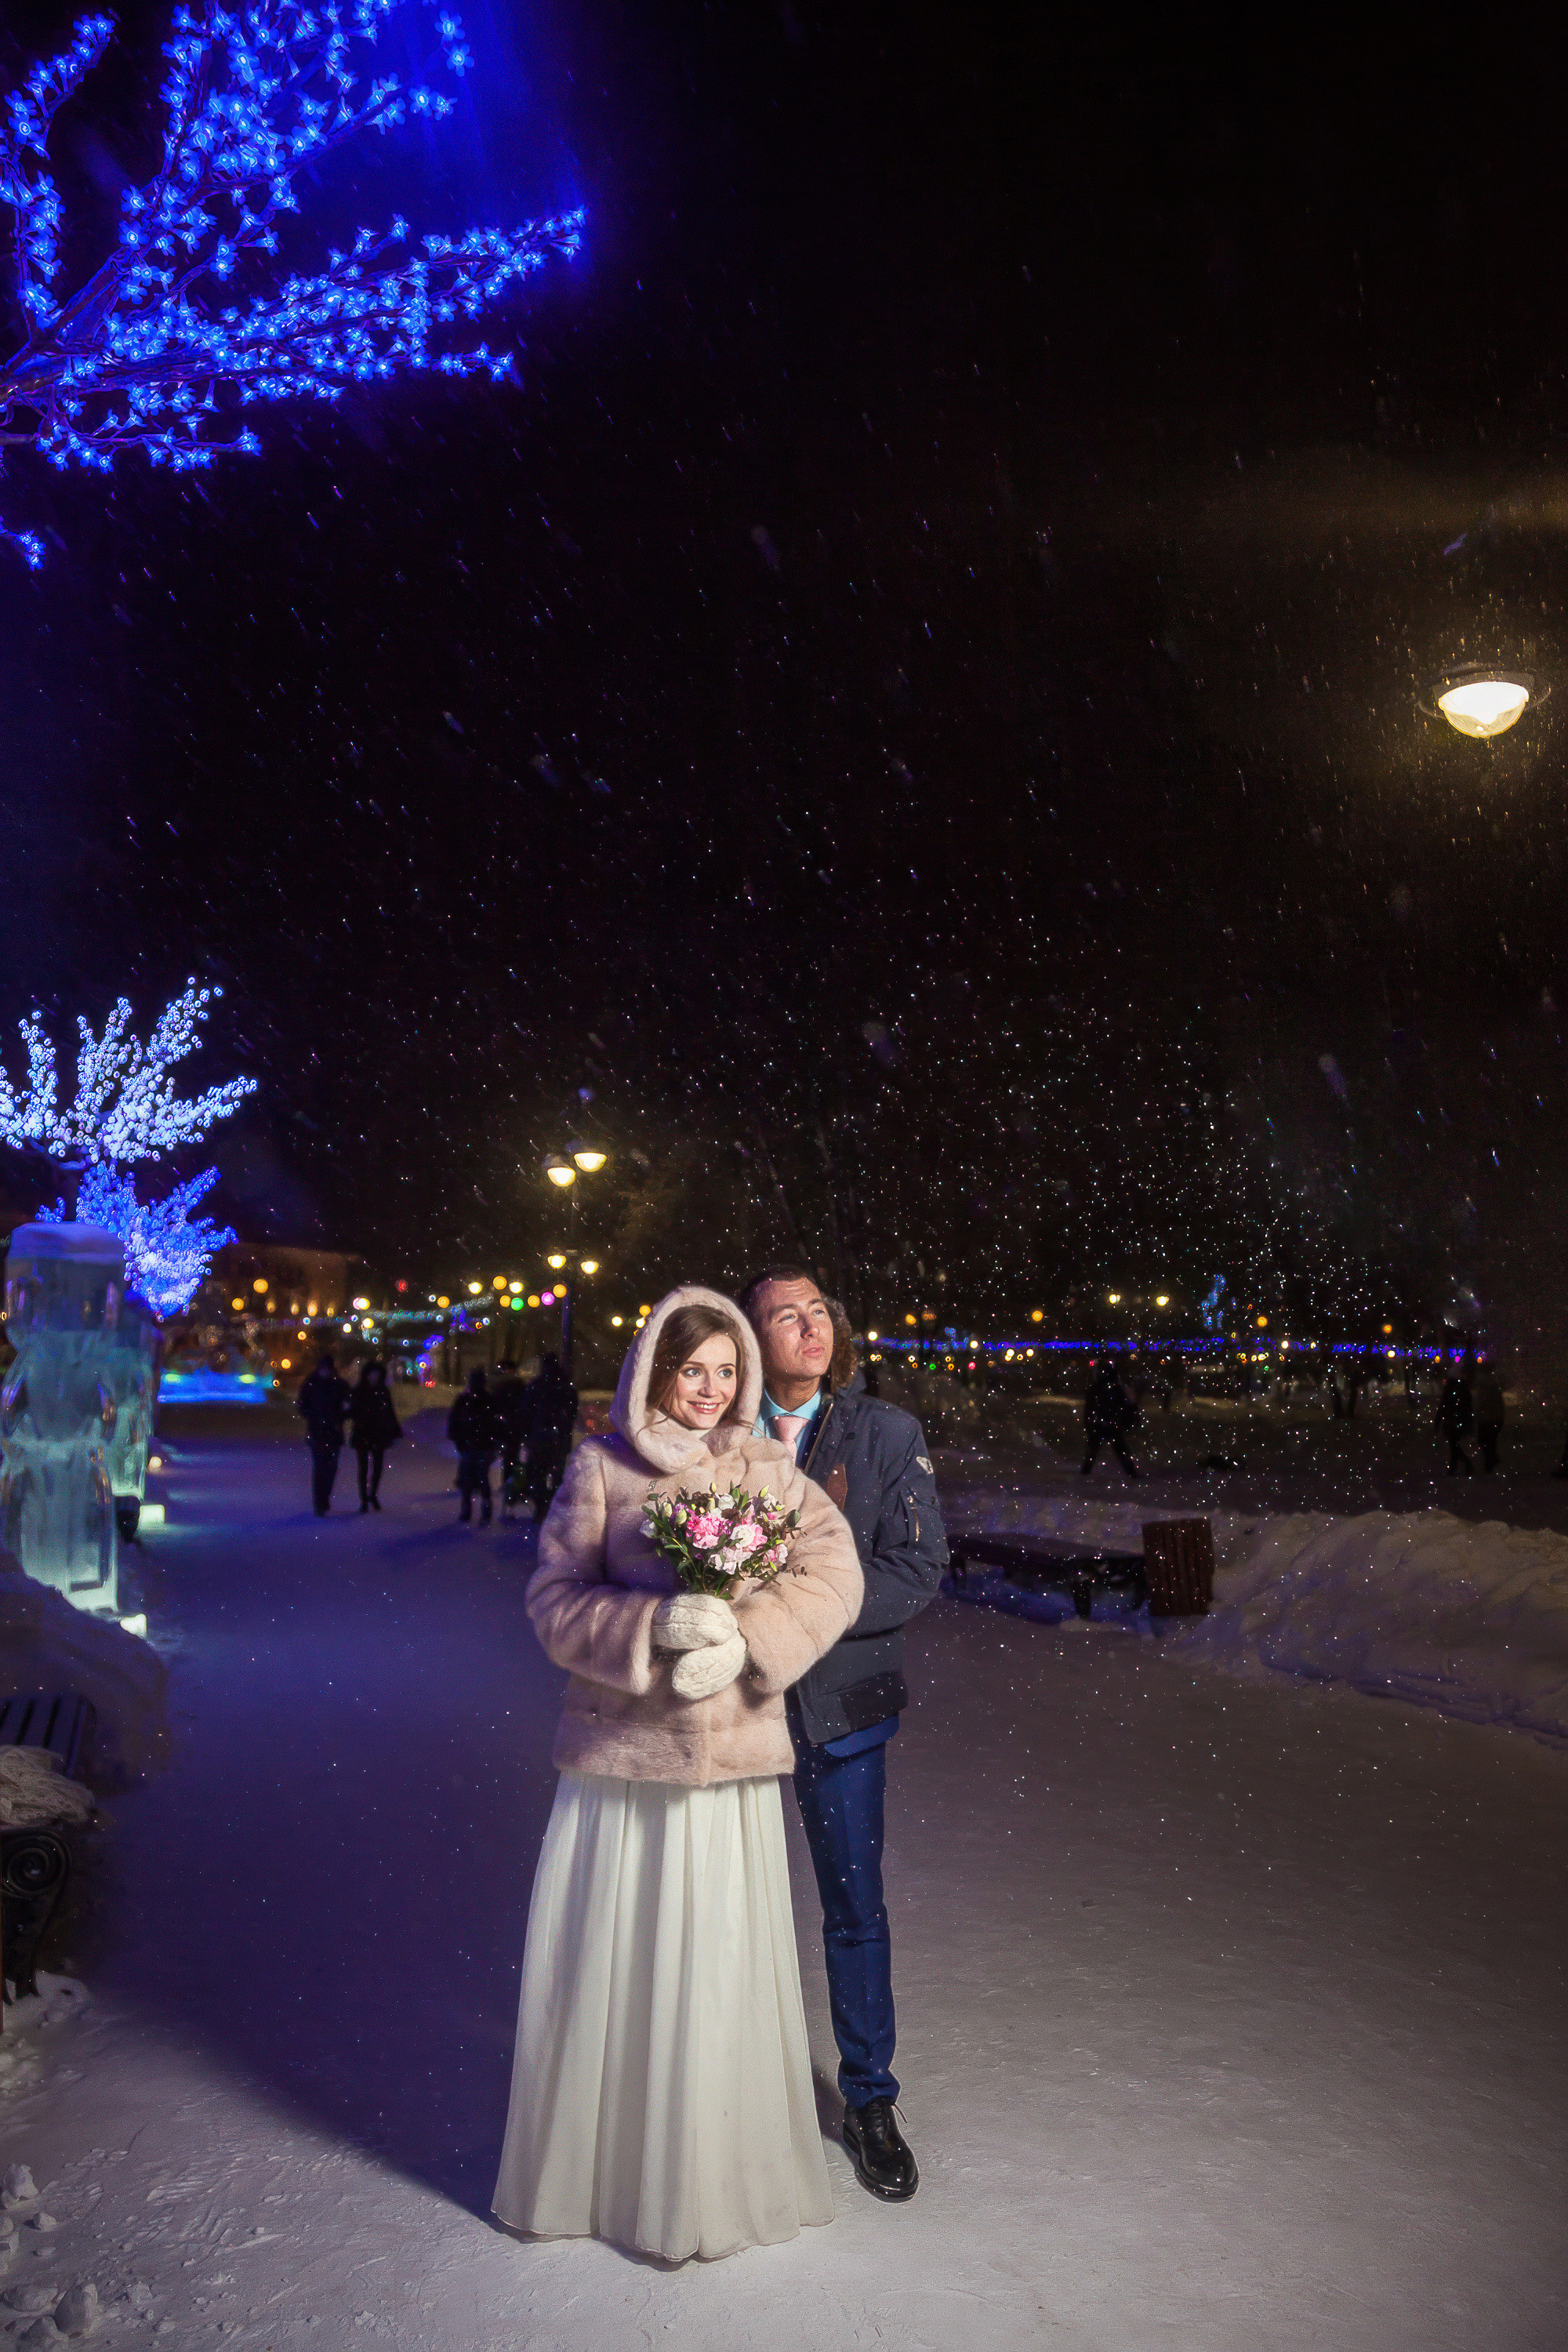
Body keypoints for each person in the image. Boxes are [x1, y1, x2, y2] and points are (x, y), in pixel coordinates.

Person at [493, 1286, 862, 2261]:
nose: (709, 1389)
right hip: (624, 1765)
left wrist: (749, 1637)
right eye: (691, 1369)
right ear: (654, 1369)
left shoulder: (767, 1465)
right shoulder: (601, 1465)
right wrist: (648, 1626)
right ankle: (611, 2172)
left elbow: (834, 1573)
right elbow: (553, 1599)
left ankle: (714, 2168)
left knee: (719, 1957)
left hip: (731, 1767)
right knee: (619, 1957)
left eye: (726, 1371)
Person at [739, 1266, 946, 2204]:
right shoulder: (714, 1435)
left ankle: (869, 2100)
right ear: (751, 1339)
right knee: (719, 1904)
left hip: (841, 1712)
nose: (807, 1325)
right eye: (783, 1315)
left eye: (816, 1310)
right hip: (730, 1713)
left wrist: (801, 1610)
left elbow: (916, 1567)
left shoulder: (884, 1433)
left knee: (853, 1908)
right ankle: (723, 2092)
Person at [521, 1352, 578, 1522]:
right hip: (557, 1439)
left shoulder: (537, 1386)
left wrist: (528, 1433)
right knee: (556, 1474)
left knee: (537, 1473)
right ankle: (554, 1506)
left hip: (540, 1438)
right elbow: (571, 1412)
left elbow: (525, 1412)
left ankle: (542, 1507)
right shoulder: (565, 1386)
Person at [297, 1351, 353, 1516]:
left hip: (333, 1432)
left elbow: (349, 1405)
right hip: (318, 1432)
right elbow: (302, 1405)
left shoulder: (339, 1385)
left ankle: (323, 1499)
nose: (326, 1372)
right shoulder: (311, 1384)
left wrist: (340, 1415)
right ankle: (320, 1502)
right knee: (321, 1467)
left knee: (330, 1468)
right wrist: (316, 1416)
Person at [348, 1358, 401, 1512]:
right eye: (372, 1374)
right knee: (363, 1467)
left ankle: (372, 1495)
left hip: (379, 1432)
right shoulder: (359, 1391)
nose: (374, 1377)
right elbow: (353, 1411)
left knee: (377, 1467)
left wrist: (395, 1429)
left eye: (377, 1374)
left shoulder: (383, 1391)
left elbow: (389, 1411)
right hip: (363, 1432)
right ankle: (364, 1498)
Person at [448, 1366, 500, 1523]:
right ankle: (484, 1508)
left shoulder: (465, 1399)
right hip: (481, 1445)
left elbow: (454, 1421)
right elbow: (496, 1423)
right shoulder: (488, 1400)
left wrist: (458, 1438)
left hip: (470, 1444)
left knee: (468, 1479)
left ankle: (468, 1509)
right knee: (481, 1478)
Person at [1080, 1356, 1141, 1477]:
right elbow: (1125, 1405)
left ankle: (1086, 1471)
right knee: (1118, 1448)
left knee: (1096, 1449)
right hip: (1109, 1423)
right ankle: (1131, 1472)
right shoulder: (1112, 1389)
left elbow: (1090, 1408)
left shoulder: (1099, 1389)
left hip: (1104, 1423)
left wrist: (1089, 1423)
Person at [491, 1359, 529, 1511]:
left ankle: (512, 1486)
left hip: (510, 1427)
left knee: (510, 1458)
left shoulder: (505, 1387)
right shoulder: (516, 1386)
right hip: (510, 1427)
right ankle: (513, 1485)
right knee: (511, 1458)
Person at [1434, 1363, 1475, 1475]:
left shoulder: (1451, 1388)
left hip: (1452, 1420)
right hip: (1459, 1420)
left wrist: (1438, 1420)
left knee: (1454, 1445)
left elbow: (1444, 1405)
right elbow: (1468, 1406)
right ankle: (1454, 1466)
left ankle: (1462, 1464)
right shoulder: (1463, 1387)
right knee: (1454, 1444)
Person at [1472, 1359, 1504, 1474]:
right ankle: (1491, 1460)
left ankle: (1490, 1462)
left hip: (1487, 1418)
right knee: (1490, 1441)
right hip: (1495, 1417)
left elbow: (1483, 1401)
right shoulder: (1493, 1383)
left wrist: (1477, 1412)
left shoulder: (1486, 1384)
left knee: (1485, 1441)